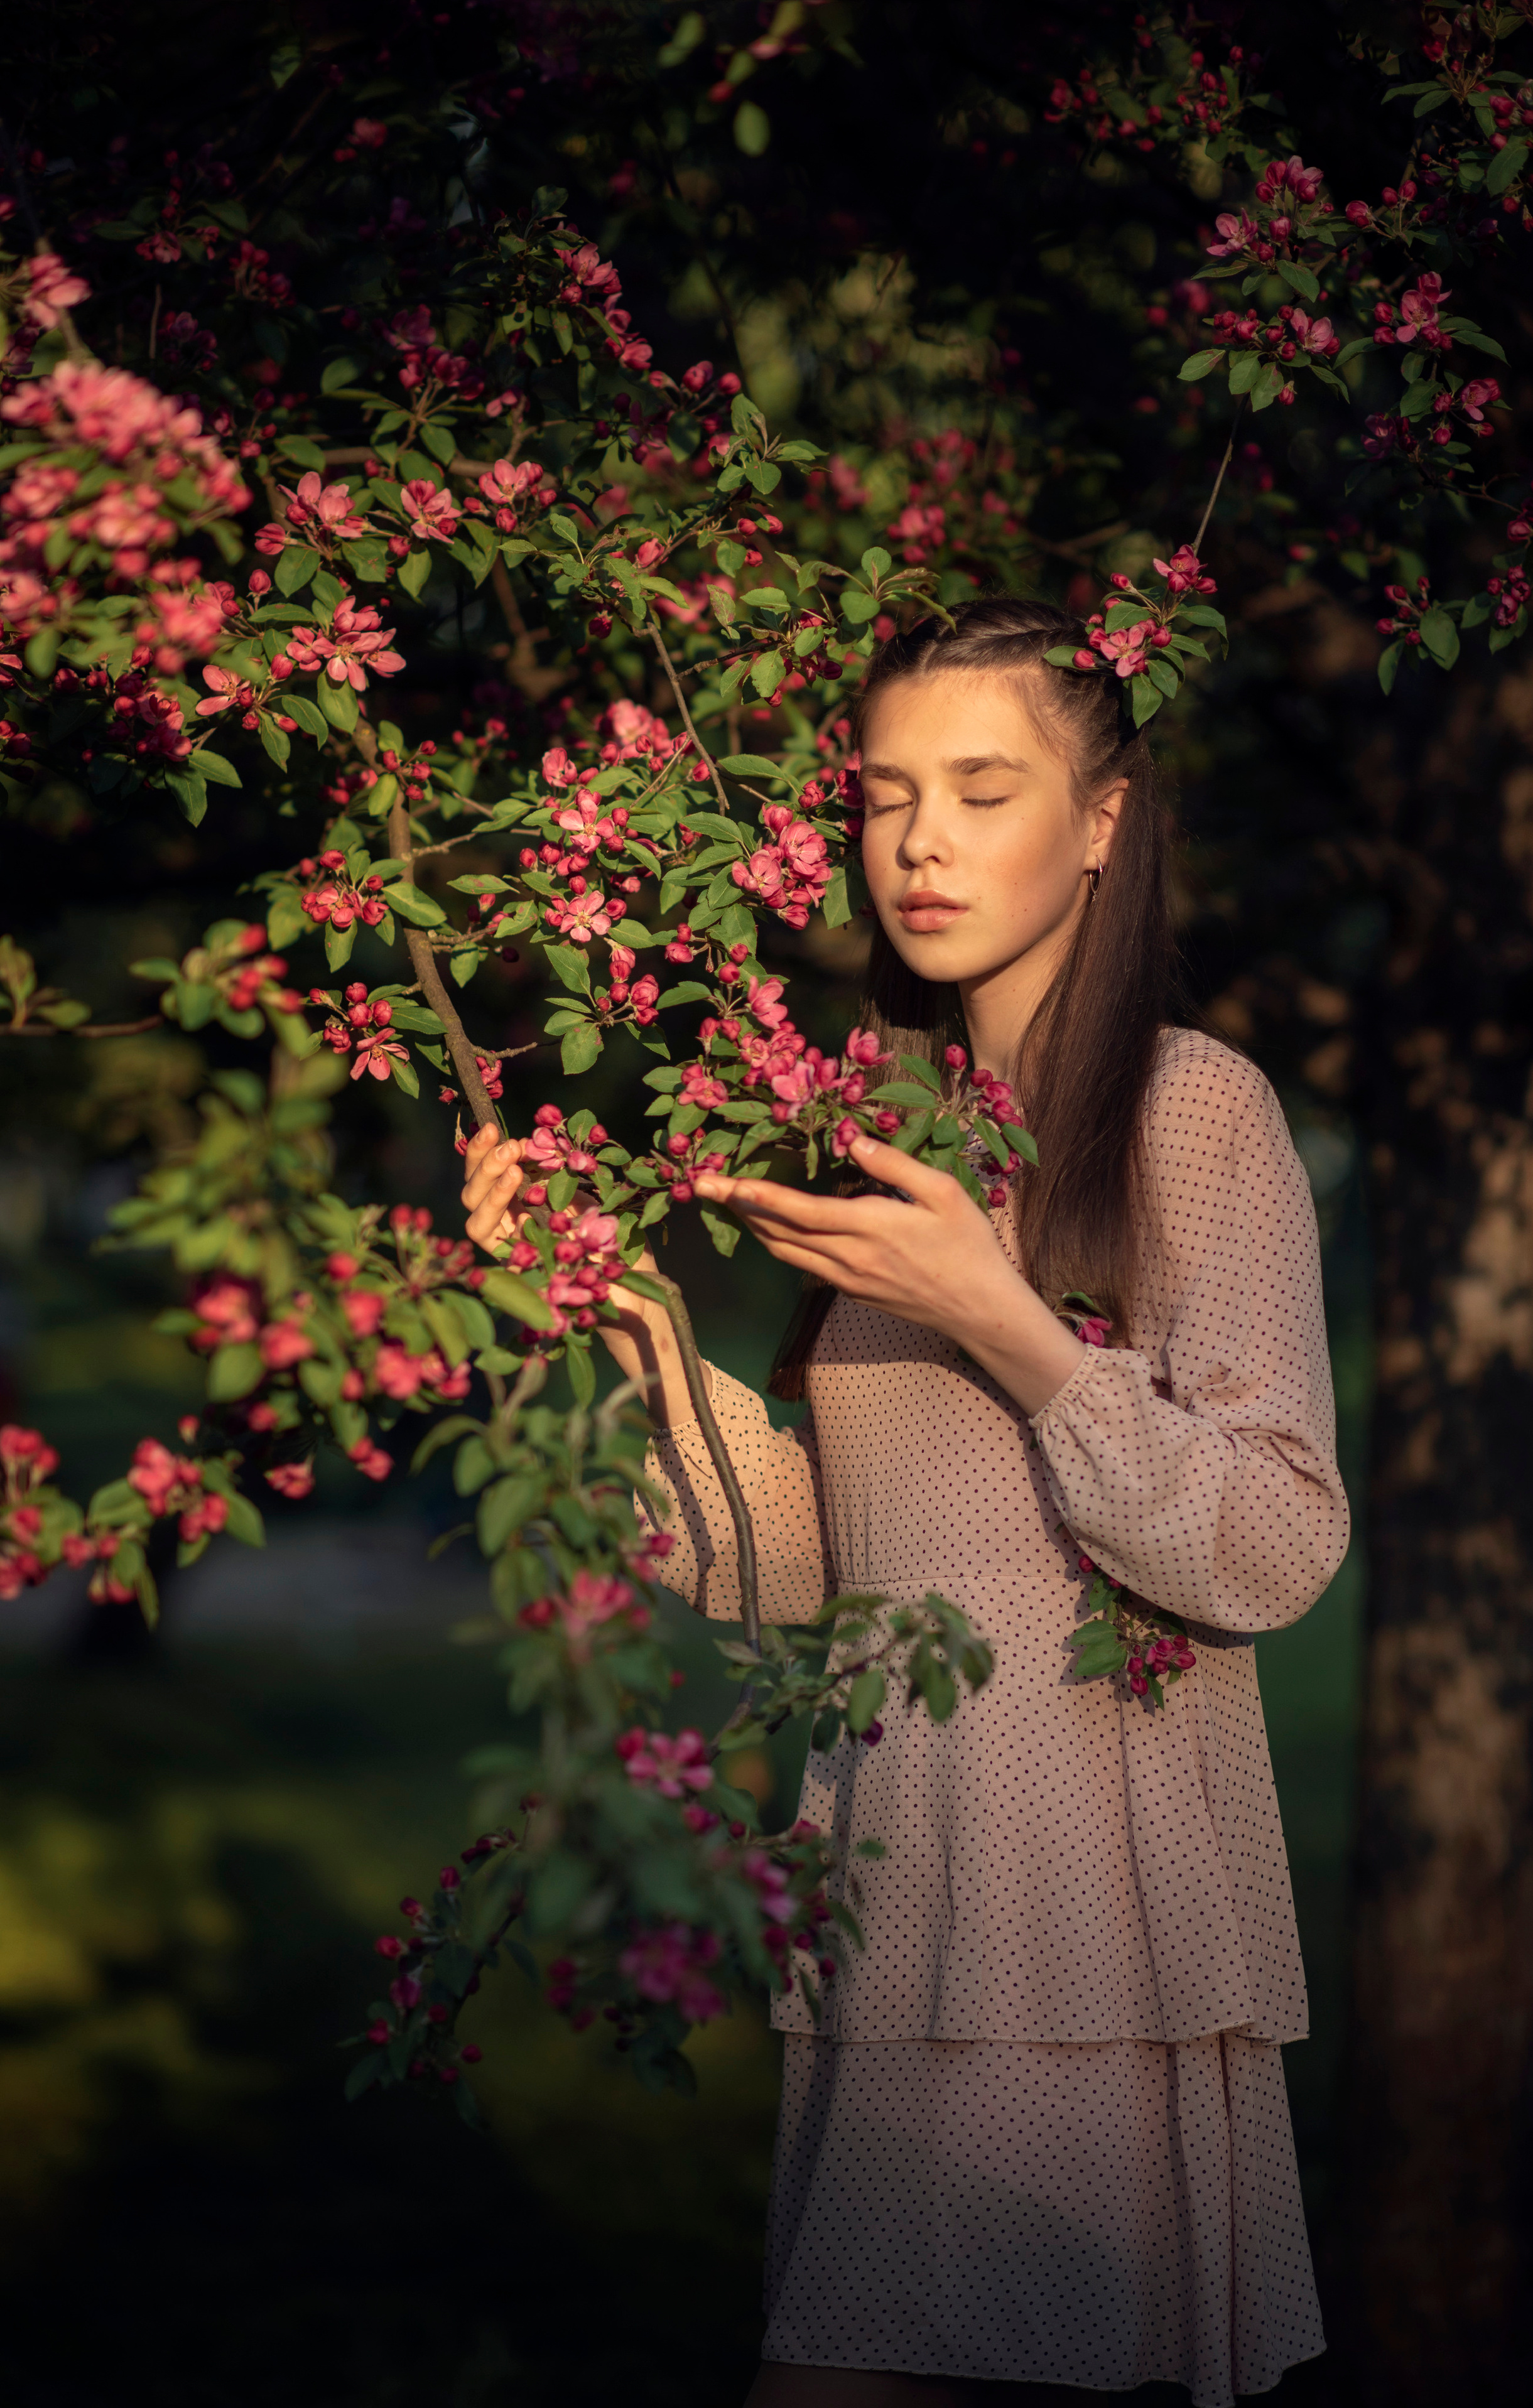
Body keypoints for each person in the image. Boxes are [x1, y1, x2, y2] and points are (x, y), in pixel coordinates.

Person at [462, 598, 1350, 2408]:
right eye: (883, 795)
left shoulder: (1192, 1111)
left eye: (981, 788)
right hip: (890, 1888)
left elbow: (1272, 1542)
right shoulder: (884, 1129)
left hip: (1090, 1918)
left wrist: (1001, 1318)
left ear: (1103, 819)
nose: (921, 841)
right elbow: (818, 1562)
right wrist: (629, 1331)